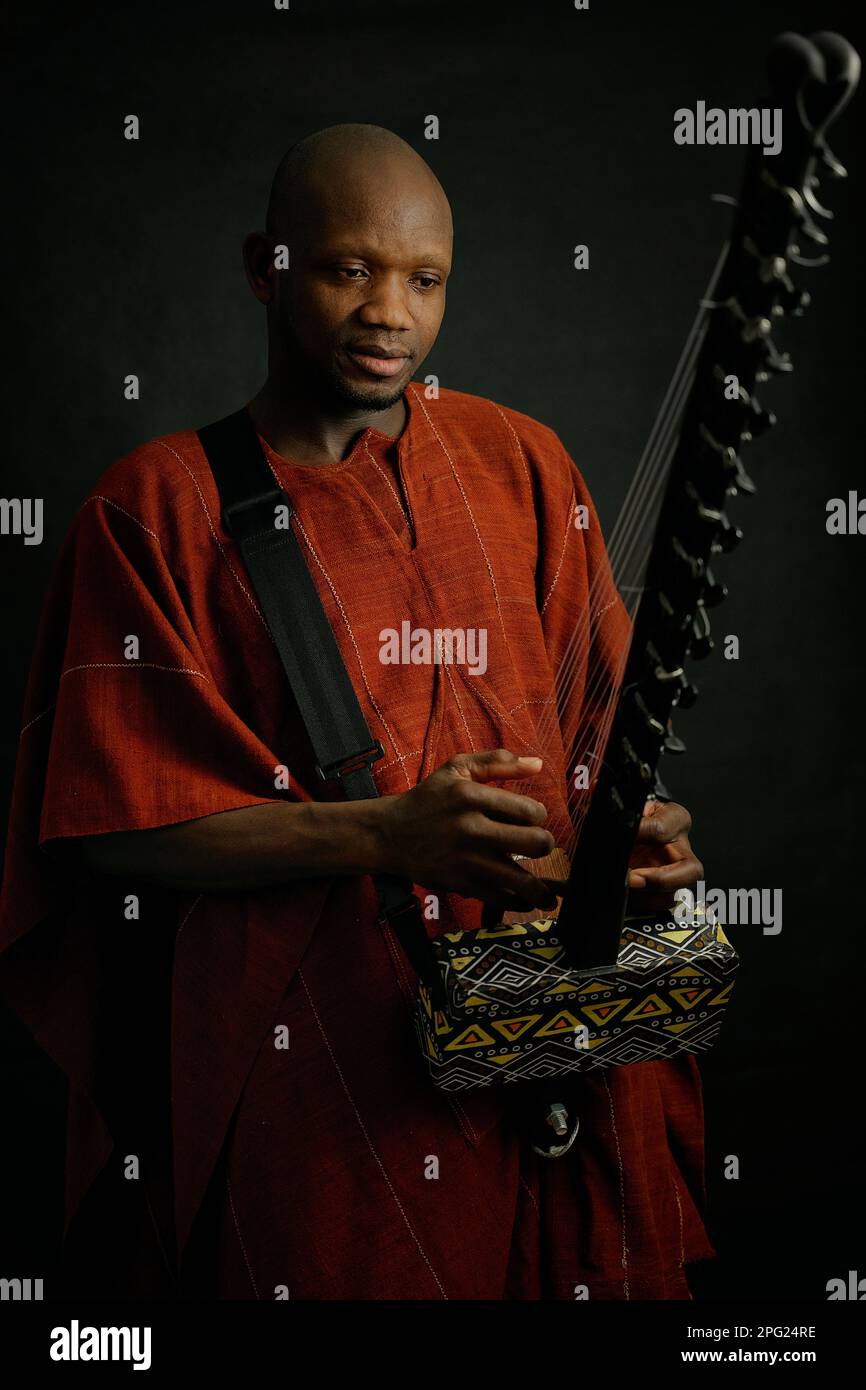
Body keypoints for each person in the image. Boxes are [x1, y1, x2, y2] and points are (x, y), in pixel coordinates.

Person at [0, 122, 716, 1300]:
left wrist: (632, 838)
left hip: (552, 1028)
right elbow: (111, 827)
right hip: (320, 1068)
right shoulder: (154, 509)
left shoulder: (518, 461)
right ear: (263, 266)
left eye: (423, 279)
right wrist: (384, 835)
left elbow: (594, 744)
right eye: (348, 269)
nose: (390, 310)